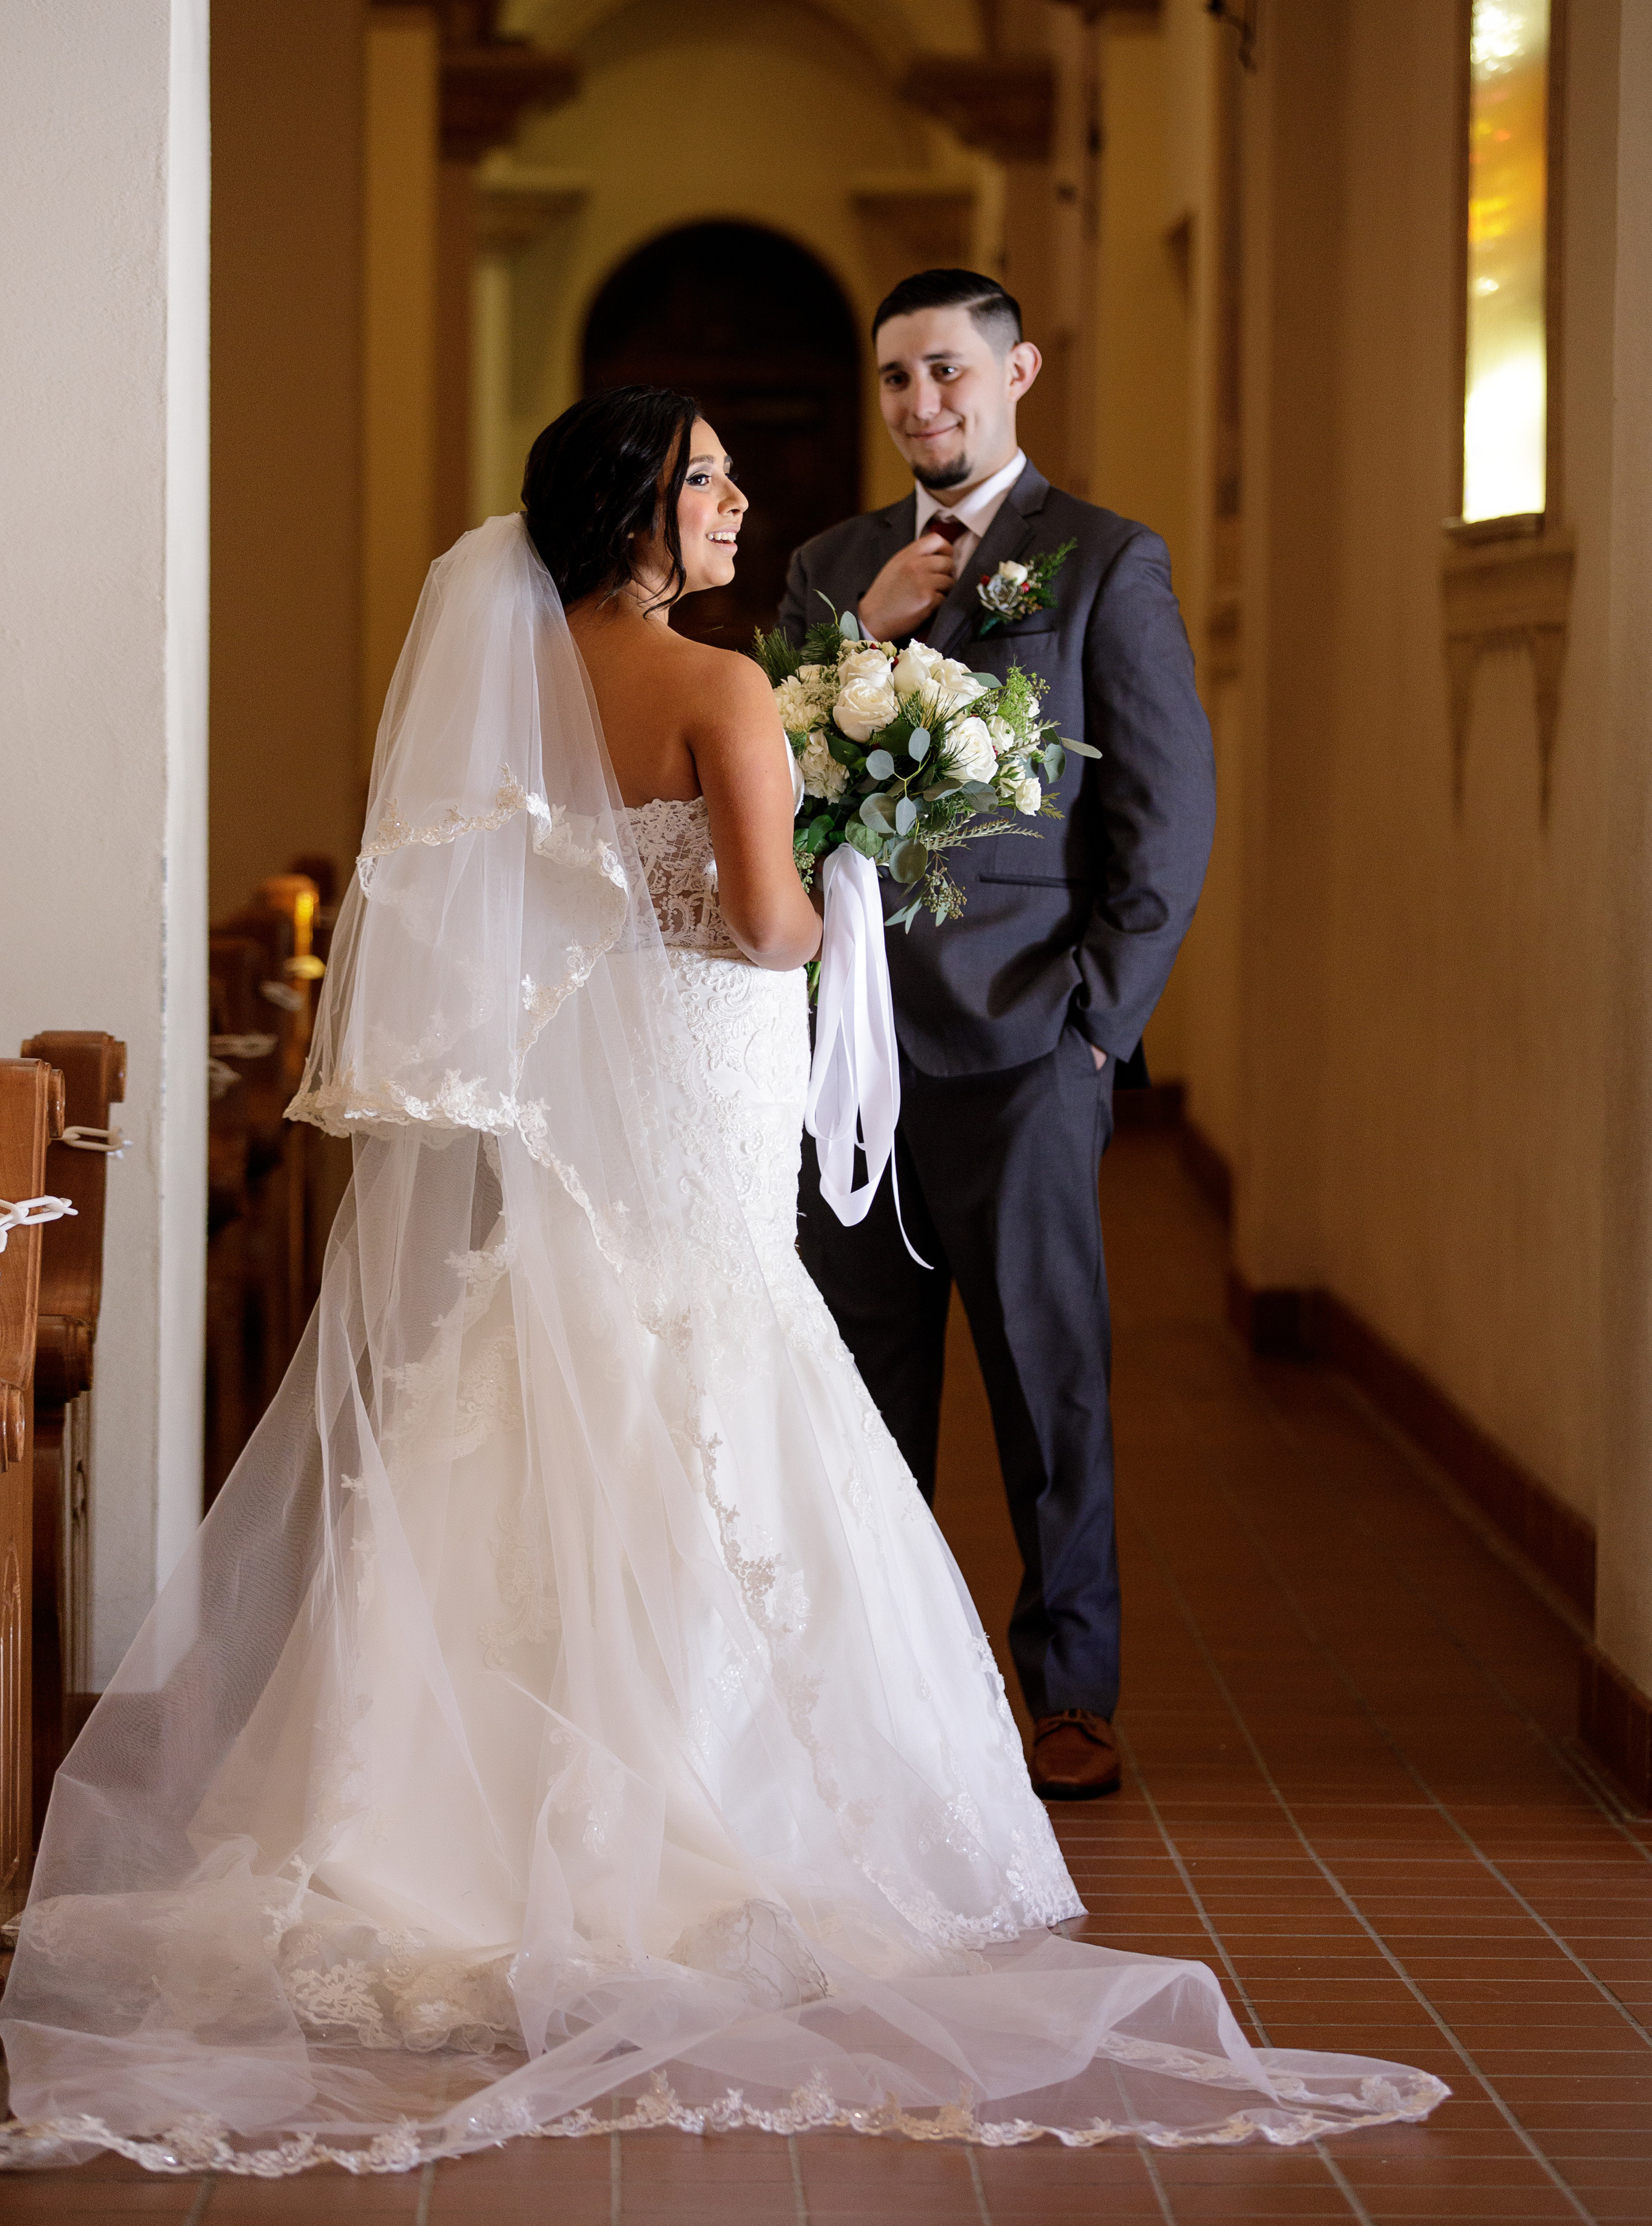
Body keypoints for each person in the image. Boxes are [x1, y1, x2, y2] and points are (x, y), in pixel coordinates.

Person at [0, 390, 1442, 2176]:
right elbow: (764, 925)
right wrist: (854, 873)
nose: (743, 501)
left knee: (537, 1370)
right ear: (639, 511)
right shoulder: (722, 690)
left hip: (591, 1085)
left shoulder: (534, 685)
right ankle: (707, 1835)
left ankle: (434, 1838)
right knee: (722, 1361)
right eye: (711, 479)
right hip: (700, 1075)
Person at [781, 270, 1216, 1807]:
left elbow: (1163, 817)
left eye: (950, 372)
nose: (923, 406)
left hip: (1029, 1045)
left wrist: (1098, 1031)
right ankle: (877, 1694)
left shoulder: (1101, 561)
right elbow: (766, 777)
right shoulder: (831, 565)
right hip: (847, 1057)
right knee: (852, 1384)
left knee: (1048, 1385)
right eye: (898, 379)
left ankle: (1070, 1695)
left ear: (1016, 369)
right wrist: (857, 633)